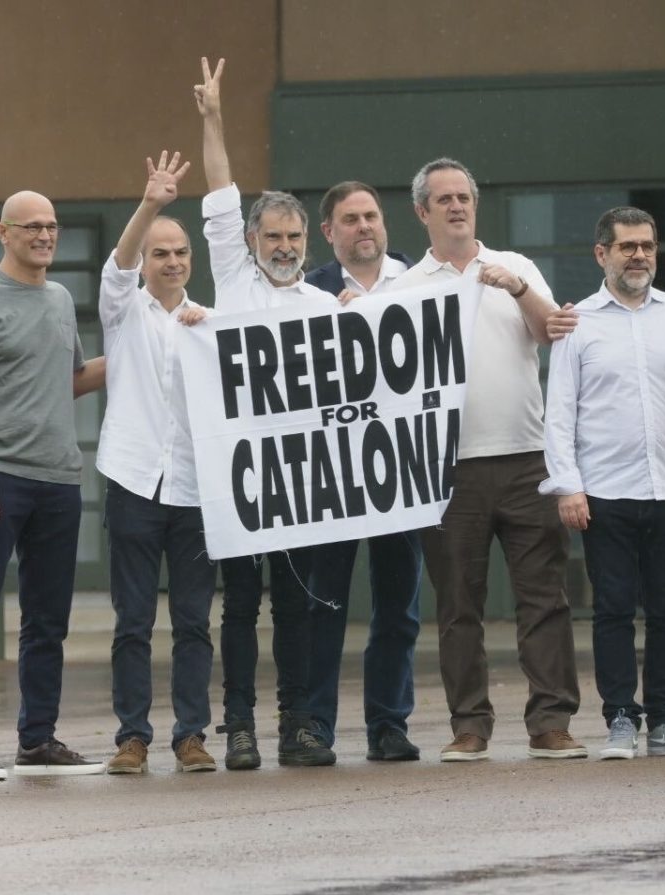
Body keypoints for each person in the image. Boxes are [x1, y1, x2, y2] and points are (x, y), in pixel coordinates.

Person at [392, 157, 584, 762]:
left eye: (464, 197)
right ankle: (469, 725)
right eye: (443, 199)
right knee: (458, 606)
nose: (456, 207)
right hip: (447, 469)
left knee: (543, 598)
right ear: (422, 212)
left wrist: (519, 288)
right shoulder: (402, 289)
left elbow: (553, 331)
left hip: (527, 458)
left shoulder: (515, 267)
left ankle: (551, 721)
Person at [542, 207, 665, 760]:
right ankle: (621, 717)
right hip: (603, 491)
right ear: (603, 254)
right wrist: (567, 486)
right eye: (627, 247)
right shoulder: (578, 323)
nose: (639, 255)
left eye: (647, 245)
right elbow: (559, 413)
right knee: (614, 609)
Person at [0, 190, 106, 781]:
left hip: (58, 481)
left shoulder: (58, 299)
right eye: (31, 226)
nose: (45, 235)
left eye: (51, 226)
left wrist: (156, 339)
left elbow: (72, 381)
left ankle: (37, 740)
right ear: (2, 231)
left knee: (47, 622)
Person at [194, 57, 335, 768]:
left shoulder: (324, 308)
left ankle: (300, 724)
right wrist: (213, 117)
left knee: (301, 606)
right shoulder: (232, 282)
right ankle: (240, 726)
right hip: (244, 474)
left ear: (307, 242)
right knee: (242, 606)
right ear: (252, 242)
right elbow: (221, 192)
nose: (283, 247)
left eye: (294, 237)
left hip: (306, 480)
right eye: (273, 236)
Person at [97, 151, 220, 776]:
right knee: (134, 620)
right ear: (146, 261)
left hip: (197, 490)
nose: (171, 261)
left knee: (195, 621)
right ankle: (132, 737)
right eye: (160, 252)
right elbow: (117, 268)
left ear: (191, 262)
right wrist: (152, 206)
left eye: (180, 253)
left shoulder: (213, 325)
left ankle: (192, 736)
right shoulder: (122, 314)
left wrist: (212, 340)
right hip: (135, 480)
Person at [302, 181, 423, 762]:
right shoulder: (309, 292)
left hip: (400, 464)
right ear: (329, 233)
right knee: (323, 603)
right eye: (349, 219)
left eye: (371, 216)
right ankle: (316, 725)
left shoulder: (421, 283)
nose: (363, 227)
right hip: (331, 472)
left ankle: (389, 723)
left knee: (398, 602)